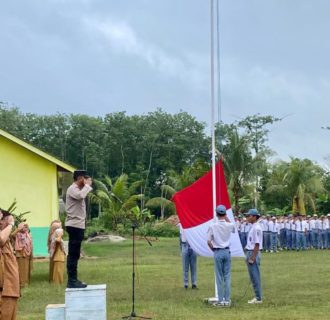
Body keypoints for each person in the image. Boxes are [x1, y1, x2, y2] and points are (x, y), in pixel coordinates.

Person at [65, 170, 93, 288]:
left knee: (75, 254)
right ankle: (72, 281)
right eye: (85, 179)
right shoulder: (72, 189)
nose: (88, 182)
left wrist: (86, 186)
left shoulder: (78, 189)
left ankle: (74, 279)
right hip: (74, 225)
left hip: (78, 225)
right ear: (80, 178)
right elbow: (80, 196)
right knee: (73, 254)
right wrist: (87, 186)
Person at [207, 205, 235, 307]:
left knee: (219, 276)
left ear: (216, 214)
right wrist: (226, 217)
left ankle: (220, 299)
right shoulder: (229, 225)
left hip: (218, 251)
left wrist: (213, 250)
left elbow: (209, 242)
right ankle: (227, 300)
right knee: (227, 276)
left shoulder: (213, 226)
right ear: (225, 214)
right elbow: (233, 227)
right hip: (227, 251)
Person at [0, 209, 20, 319]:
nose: (3, 221)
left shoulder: (6, 236)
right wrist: (11, 224)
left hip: (11, 288)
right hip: (5, 289)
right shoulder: (3, 236)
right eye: (2, 219)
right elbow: (1, 239)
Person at [245, 208, 263, 304]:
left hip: (253, 252)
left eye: (249, 216)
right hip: (250, 251)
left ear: (254, 217)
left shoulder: (256, 228)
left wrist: (252, 257)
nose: (247, 217)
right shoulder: (253, 226)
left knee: (255, 276)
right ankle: (257, 296)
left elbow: (257, 244)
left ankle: (258, 298)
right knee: (253, 276)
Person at [12, 222, 33, 287]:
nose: (26, 228)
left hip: (27, 253)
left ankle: (26, 282)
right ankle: (21, 283)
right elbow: (12, 235)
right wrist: (18, 229)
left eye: (26, 227)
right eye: (24, 227)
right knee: (21, 269)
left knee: (26, 268)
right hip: (20, 254)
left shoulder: (28, 234)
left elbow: (30, 244)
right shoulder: (17, 234)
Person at [178, 223, 197, 289]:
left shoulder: (194, 223)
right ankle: (185, 284)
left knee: (193, 267)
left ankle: (194, 284)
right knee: (185, 267)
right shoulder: (181, 224)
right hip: (185, 245)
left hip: (192, 246)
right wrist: (181, 250)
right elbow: (180, 238)